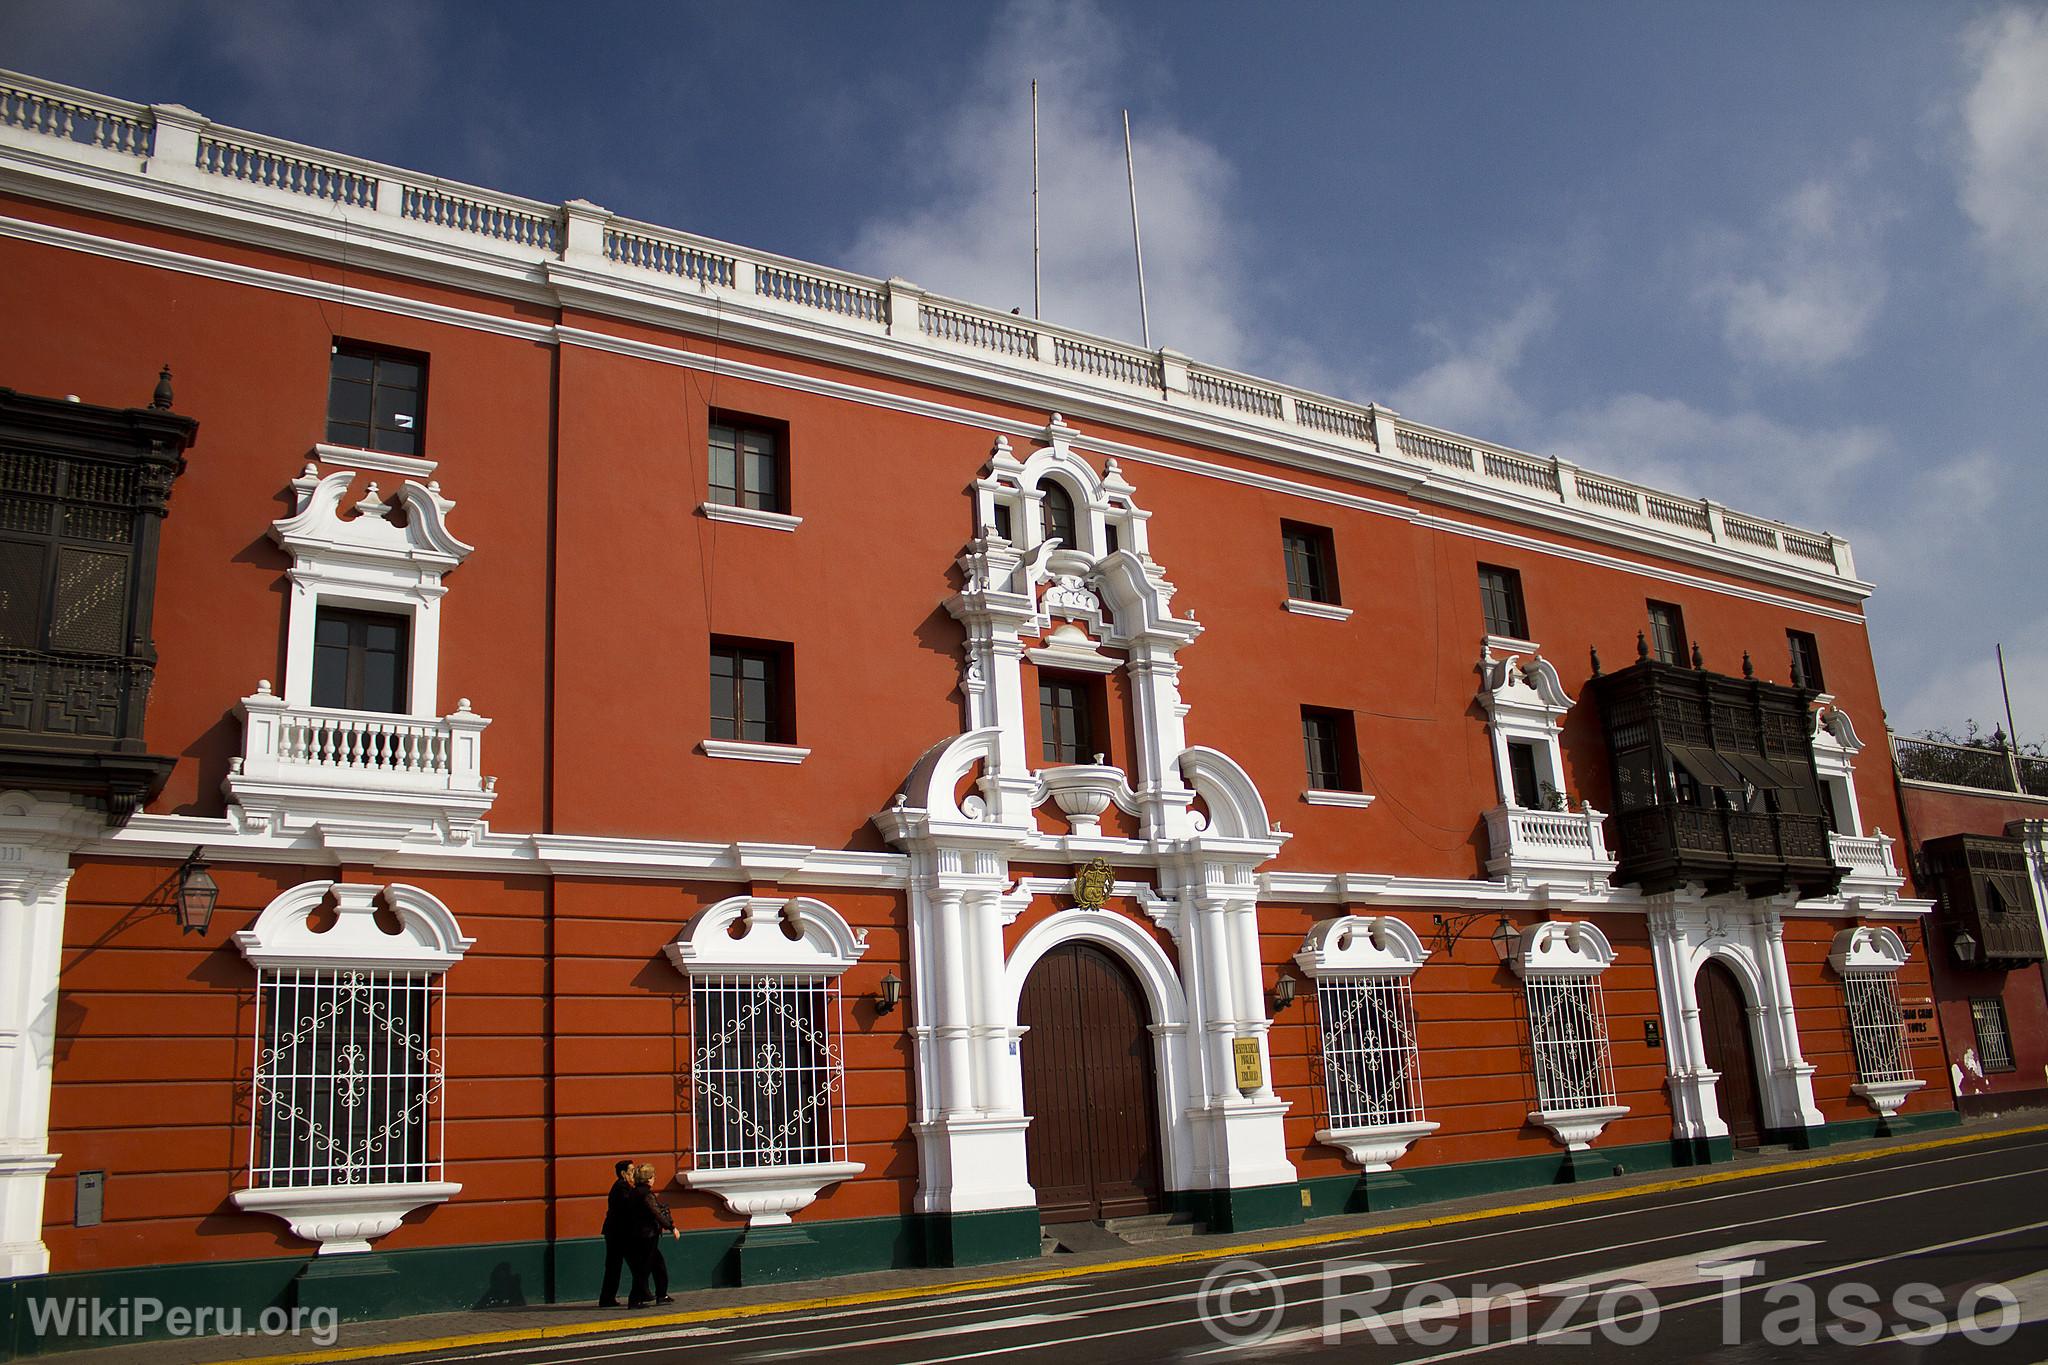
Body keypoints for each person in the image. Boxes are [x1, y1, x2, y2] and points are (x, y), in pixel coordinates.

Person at [597, 1158, 643, 1308]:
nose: (633, 1174)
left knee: (614, 1266)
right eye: (631, 1171)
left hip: (616, 1232)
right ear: (623, 1173)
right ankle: (640, 1295)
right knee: (634, 1264)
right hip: (619, 1233)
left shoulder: (622, 1186)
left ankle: (607, 1298)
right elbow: (629, 1205)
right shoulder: (622, 1187)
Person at [632, 1162, 680, 1305]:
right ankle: (636, 1299)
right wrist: (672, 1227)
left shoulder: (634, 1192)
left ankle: (661, 1295)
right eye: (653, 1176)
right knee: (646, 1268)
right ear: (648, 1178)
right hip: (647, 1235)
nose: (654, 1178)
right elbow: (656, 1213)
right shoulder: (646, 1194)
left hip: (638, 1234)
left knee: (655, 1265)